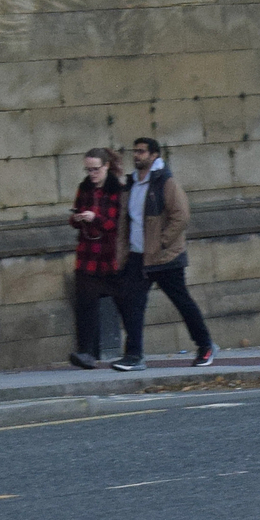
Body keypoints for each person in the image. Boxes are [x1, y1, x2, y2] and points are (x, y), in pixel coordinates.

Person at [111, 136, 215, 371]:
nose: (137, 155)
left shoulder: (165, 182)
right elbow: (126, 222)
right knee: (132, 305)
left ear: (154, 155)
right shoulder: (131, 184)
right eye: (135, 151)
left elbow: (181, 216)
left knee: (182, 302)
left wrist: (162, 243)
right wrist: (123, 253)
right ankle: (134, 355)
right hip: (138, 256)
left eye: (142, 151)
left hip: (165, 257)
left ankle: (205, 346)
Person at [66, 147, 127, 368]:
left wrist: (95, 218)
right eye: (88, 169)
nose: (92, 174)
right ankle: (86, 353)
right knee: (85, 305)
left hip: (111, 256)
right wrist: (79, 218)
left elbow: (116, 223)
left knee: (126, 305)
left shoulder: (118, 190)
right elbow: (73, 217)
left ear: (106, 166)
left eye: (96, 169)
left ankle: (134, 350)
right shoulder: (84, 188)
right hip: (87, 255)